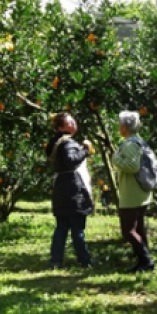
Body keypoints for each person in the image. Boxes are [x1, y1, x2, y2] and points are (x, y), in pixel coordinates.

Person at [46, 112, 95, 268]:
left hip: (61, 186)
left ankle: (56, 260)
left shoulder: (55, 142)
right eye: (69, 123)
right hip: (73, 188)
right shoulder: (67, 143)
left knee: (61, 227)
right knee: (77, 227)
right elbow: (71, 161)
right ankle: (84, 260)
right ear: (61, 128)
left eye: (73, 121)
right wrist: (86, 150)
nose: (74, 125)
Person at [113, 110, 155, 272]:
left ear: (124, 127)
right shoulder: (139, 142)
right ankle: (142, 261)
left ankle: (146, 260)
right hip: (140, 192)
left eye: (120, 124)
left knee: (128, 230)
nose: (118, 127)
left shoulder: (130, 144)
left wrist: (115, 159)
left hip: (132, 193)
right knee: (138, 229)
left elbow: (132, 166)